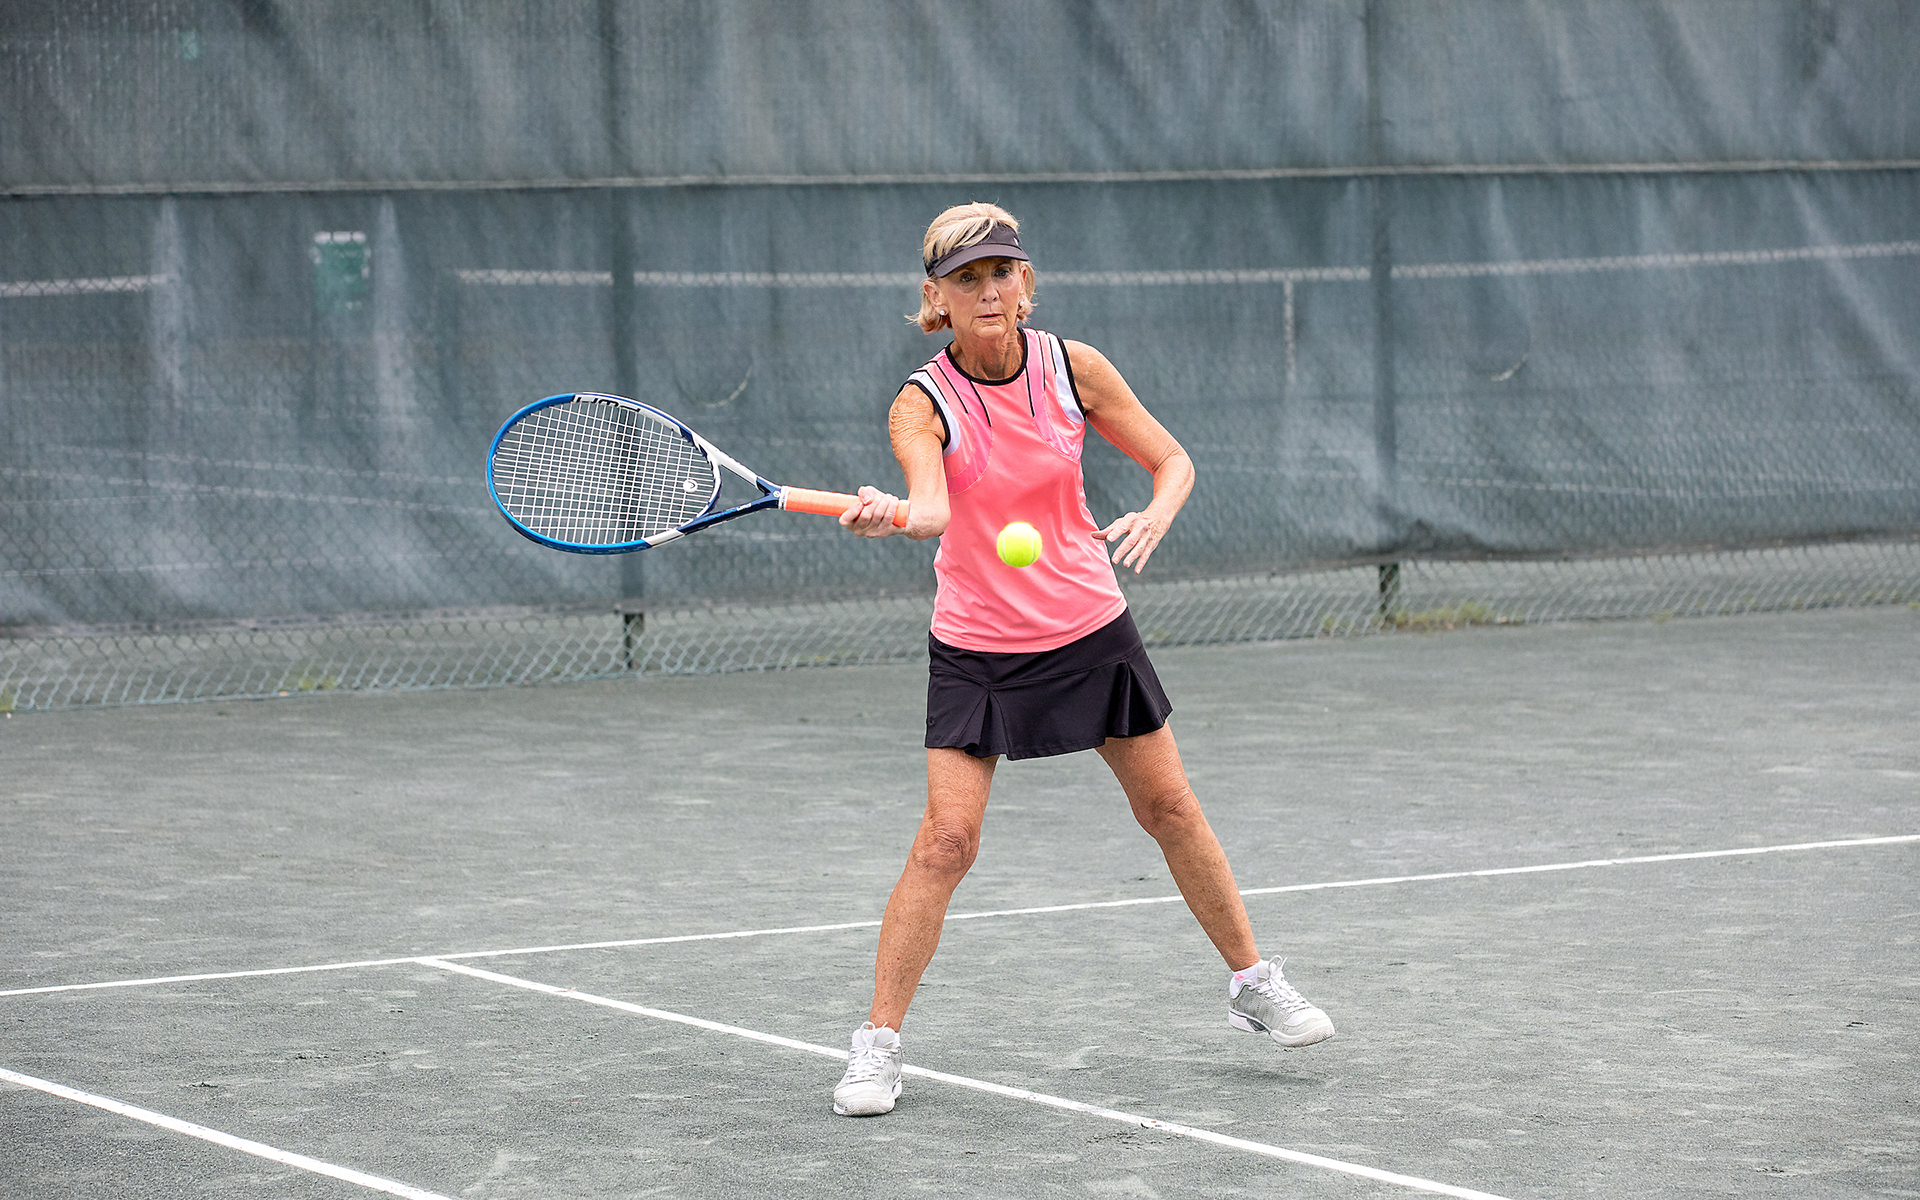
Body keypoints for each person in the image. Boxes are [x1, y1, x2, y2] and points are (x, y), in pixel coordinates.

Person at [829, 203, 1333, 1118]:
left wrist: (1156, 511)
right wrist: (883, 513)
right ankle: (877, 1046)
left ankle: (1253, 983)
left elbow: (1173, 461)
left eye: (1002, 273)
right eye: (967, 279)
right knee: (946, 842)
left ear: (1025, 283)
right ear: (937, 299)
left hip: (1091, 629)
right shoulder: (921, 402)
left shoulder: (1075, 368)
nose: (989, 291)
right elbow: (932, 511)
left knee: (1171, 808)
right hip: (979, 649)